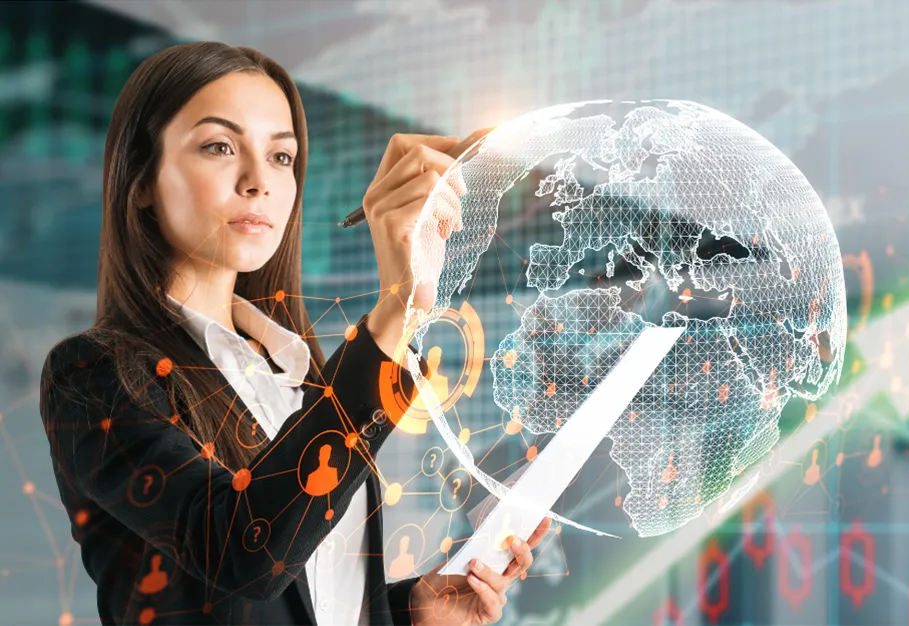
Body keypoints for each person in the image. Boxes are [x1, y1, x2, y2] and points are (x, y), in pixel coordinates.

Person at [38, 41, 550, 626]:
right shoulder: (92, 375)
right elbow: (242, 554)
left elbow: (314, 595)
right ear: (142, 181)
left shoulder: (300, 371)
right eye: (219, 146)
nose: (260, 181)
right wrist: (394, 308)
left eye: (282, 157)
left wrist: (411, 610)